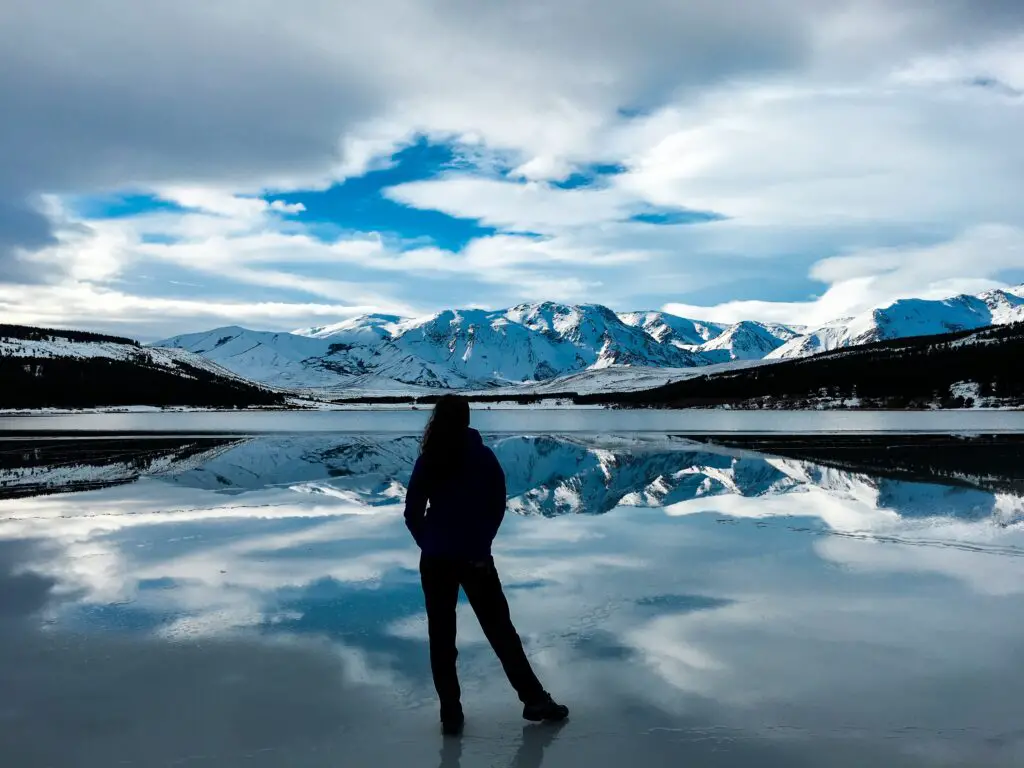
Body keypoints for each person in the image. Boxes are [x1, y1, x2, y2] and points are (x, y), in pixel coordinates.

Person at [405, 395, 569, 736]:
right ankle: (535, 700)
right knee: (501, 632)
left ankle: (450, 713)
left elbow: (412, 512)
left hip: (435, 560)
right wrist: (480, 543)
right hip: (475, 558)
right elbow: (497, 506)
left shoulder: (429, 459)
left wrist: (430, 542)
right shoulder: (482, 458)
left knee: (441, 636)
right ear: (467, 420)